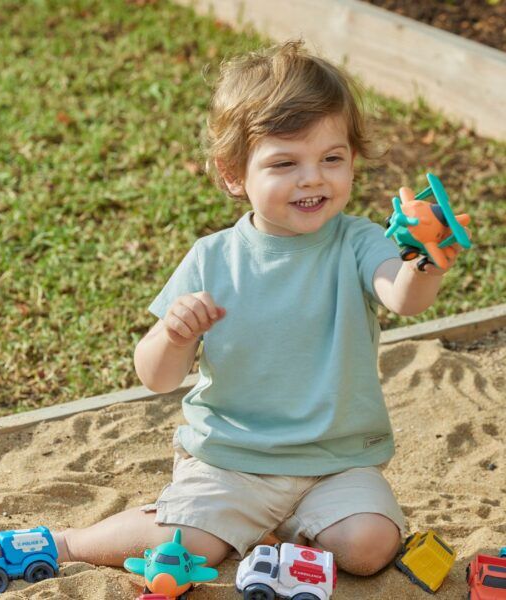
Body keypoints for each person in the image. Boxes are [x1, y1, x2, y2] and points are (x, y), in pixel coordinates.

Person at [53, 41, 466, 577]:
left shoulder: (358, 241)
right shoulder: (213, 258)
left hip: (337, 462)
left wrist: (425, 262)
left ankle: (271, 530)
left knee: (368, 546)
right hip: (232, 461)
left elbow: (402, 295)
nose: (312, 178)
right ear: (233, 173)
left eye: (332, 158)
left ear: (352, 159)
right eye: (284, 163)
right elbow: (156, 377)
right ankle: (69, 542)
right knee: (189, 546)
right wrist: (174, 336)